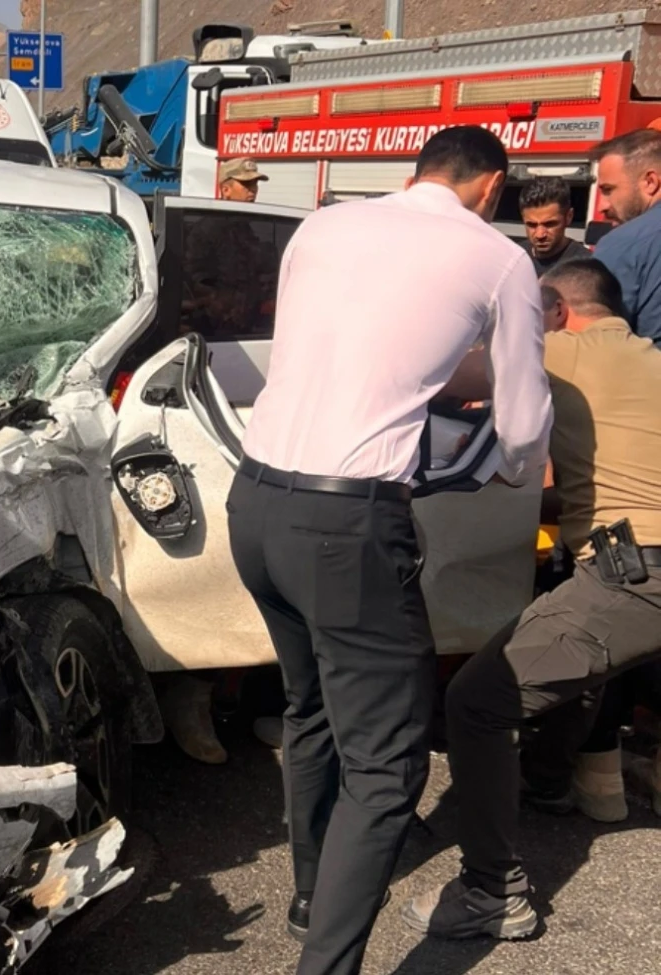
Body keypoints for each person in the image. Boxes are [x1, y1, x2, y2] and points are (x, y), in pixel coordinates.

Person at [227, 125, 552, 975]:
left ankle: (311, 894)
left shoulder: (325, 225)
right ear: (492, 186)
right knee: (388, 764)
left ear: (419, 171)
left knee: (309, 708)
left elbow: (354, 357)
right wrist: (515, 468)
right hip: (346, 525)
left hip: (254, 501)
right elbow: (523, 423)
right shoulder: (499, 257)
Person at [403, 258, 661, 940]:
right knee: (575, 657)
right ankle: (548, 780)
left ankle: (493, 892)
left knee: (477, 702)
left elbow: (432, 378)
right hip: (638, 567)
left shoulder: (562, 351)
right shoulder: (646, 361)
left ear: (555, 311)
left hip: (637, 575)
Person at [588, 129, 661, 341]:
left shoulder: (623, 242)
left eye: (608, 190)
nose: (602, 206)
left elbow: (596, 339)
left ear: (650, 182)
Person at [519, 177, 591, 273]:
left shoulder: (586, 267)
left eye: (549, 224)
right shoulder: (515, 258)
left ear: (569, 217)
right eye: (532, 225)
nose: (540, 234)